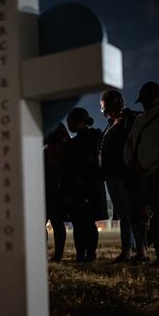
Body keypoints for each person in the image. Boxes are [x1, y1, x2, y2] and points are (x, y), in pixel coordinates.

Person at [124, 81, 159, 266]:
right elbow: (130, 142)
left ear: (157, 96)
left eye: (146, 99)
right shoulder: (140, 118)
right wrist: (131, 162)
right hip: (143, 173)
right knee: (156, 215)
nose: (144, 103)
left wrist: (142, 163)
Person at [99, 90, 140, 262]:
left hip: (123, 172)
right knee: (124, 214)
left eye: (105, 106)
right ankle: (126, 250)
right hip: (111, 174)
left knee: (132, 212)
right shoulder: (111, 124)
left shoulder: (129, 119)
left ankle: (140, 250)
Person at [63, 108, 108, 262]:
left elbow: (91, 162)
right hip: (86, 186)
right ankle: (86, 254)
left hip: (86, 186)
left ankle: (85, 254)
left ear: (79, 121)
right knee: (84, 223)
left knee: (83, 223)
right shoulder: (92, 137)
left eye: (70, 122)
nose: (68, 125)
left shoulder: (90, 138)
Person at [44, 124, 70, 262]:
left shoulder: (57, 148)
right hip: (52, 189)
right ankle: (57, 254)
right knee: (56, 223)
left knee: (55, 222)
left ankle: (56, 254)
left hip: (53, 189)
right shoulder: (52, 148)